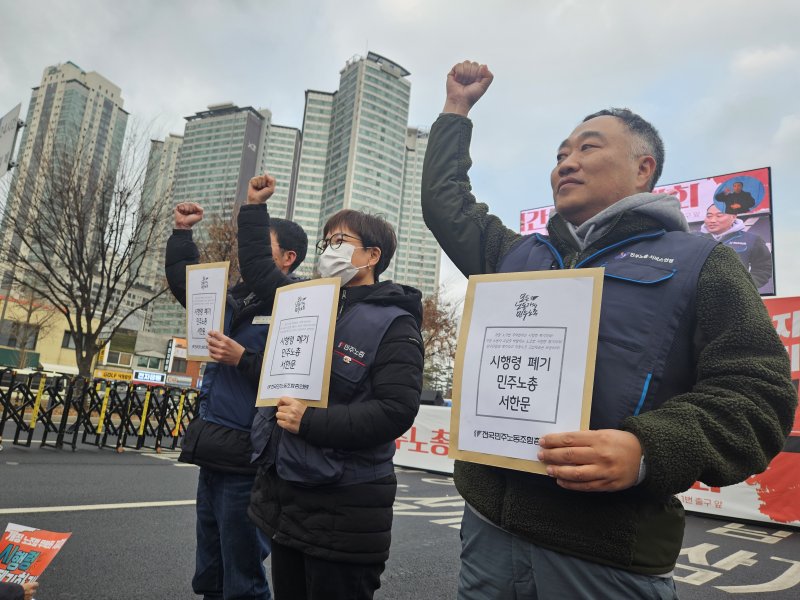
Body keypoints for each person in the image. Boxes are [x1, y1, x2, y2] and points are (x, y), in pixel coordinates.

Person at [421, 60, 796, 599]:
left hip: (604, 557)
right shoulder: (518, 254)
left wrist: (645, 449)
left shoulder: (702, 264)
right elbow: (445, 204)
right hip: (486, 532)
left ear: (644, 169)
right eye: (560, 155)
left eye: (588, 148)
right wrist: (456, 111)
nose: (566, 163)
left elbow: (758, 400)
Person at [237, 174, 424, 600]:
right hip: (288, 500)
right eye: (325, 243)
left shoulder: (395, 323)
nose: (327, 252)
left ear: (372, 255)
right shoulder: (310, 302)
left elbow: (396, 409)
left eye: (339, 241)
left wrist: (312, 422)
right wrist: (253, 208)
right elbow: (263, 274)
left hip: (345, 510)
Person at [167, 201, 308, 600]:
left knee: (243, 578)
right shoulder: (234, 300)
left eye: (260, 247)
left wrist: (242, 358)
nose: (248, 254)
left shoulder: (298, 304)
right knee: (210, 573)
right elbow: (186, 285)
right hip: (213, 448)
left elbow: (297, 378)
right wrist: (181, 234)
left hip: (250, 461)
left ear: (287, 258)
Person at [699, 204, 773, 289]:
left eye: (719, 215)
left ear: (733, 217)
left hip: (736, 298)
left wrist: (746, 287)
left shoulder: (752, 239)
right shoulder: (693, 239)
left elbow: (764, 268)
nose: (712, 220)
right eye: (709, 216)